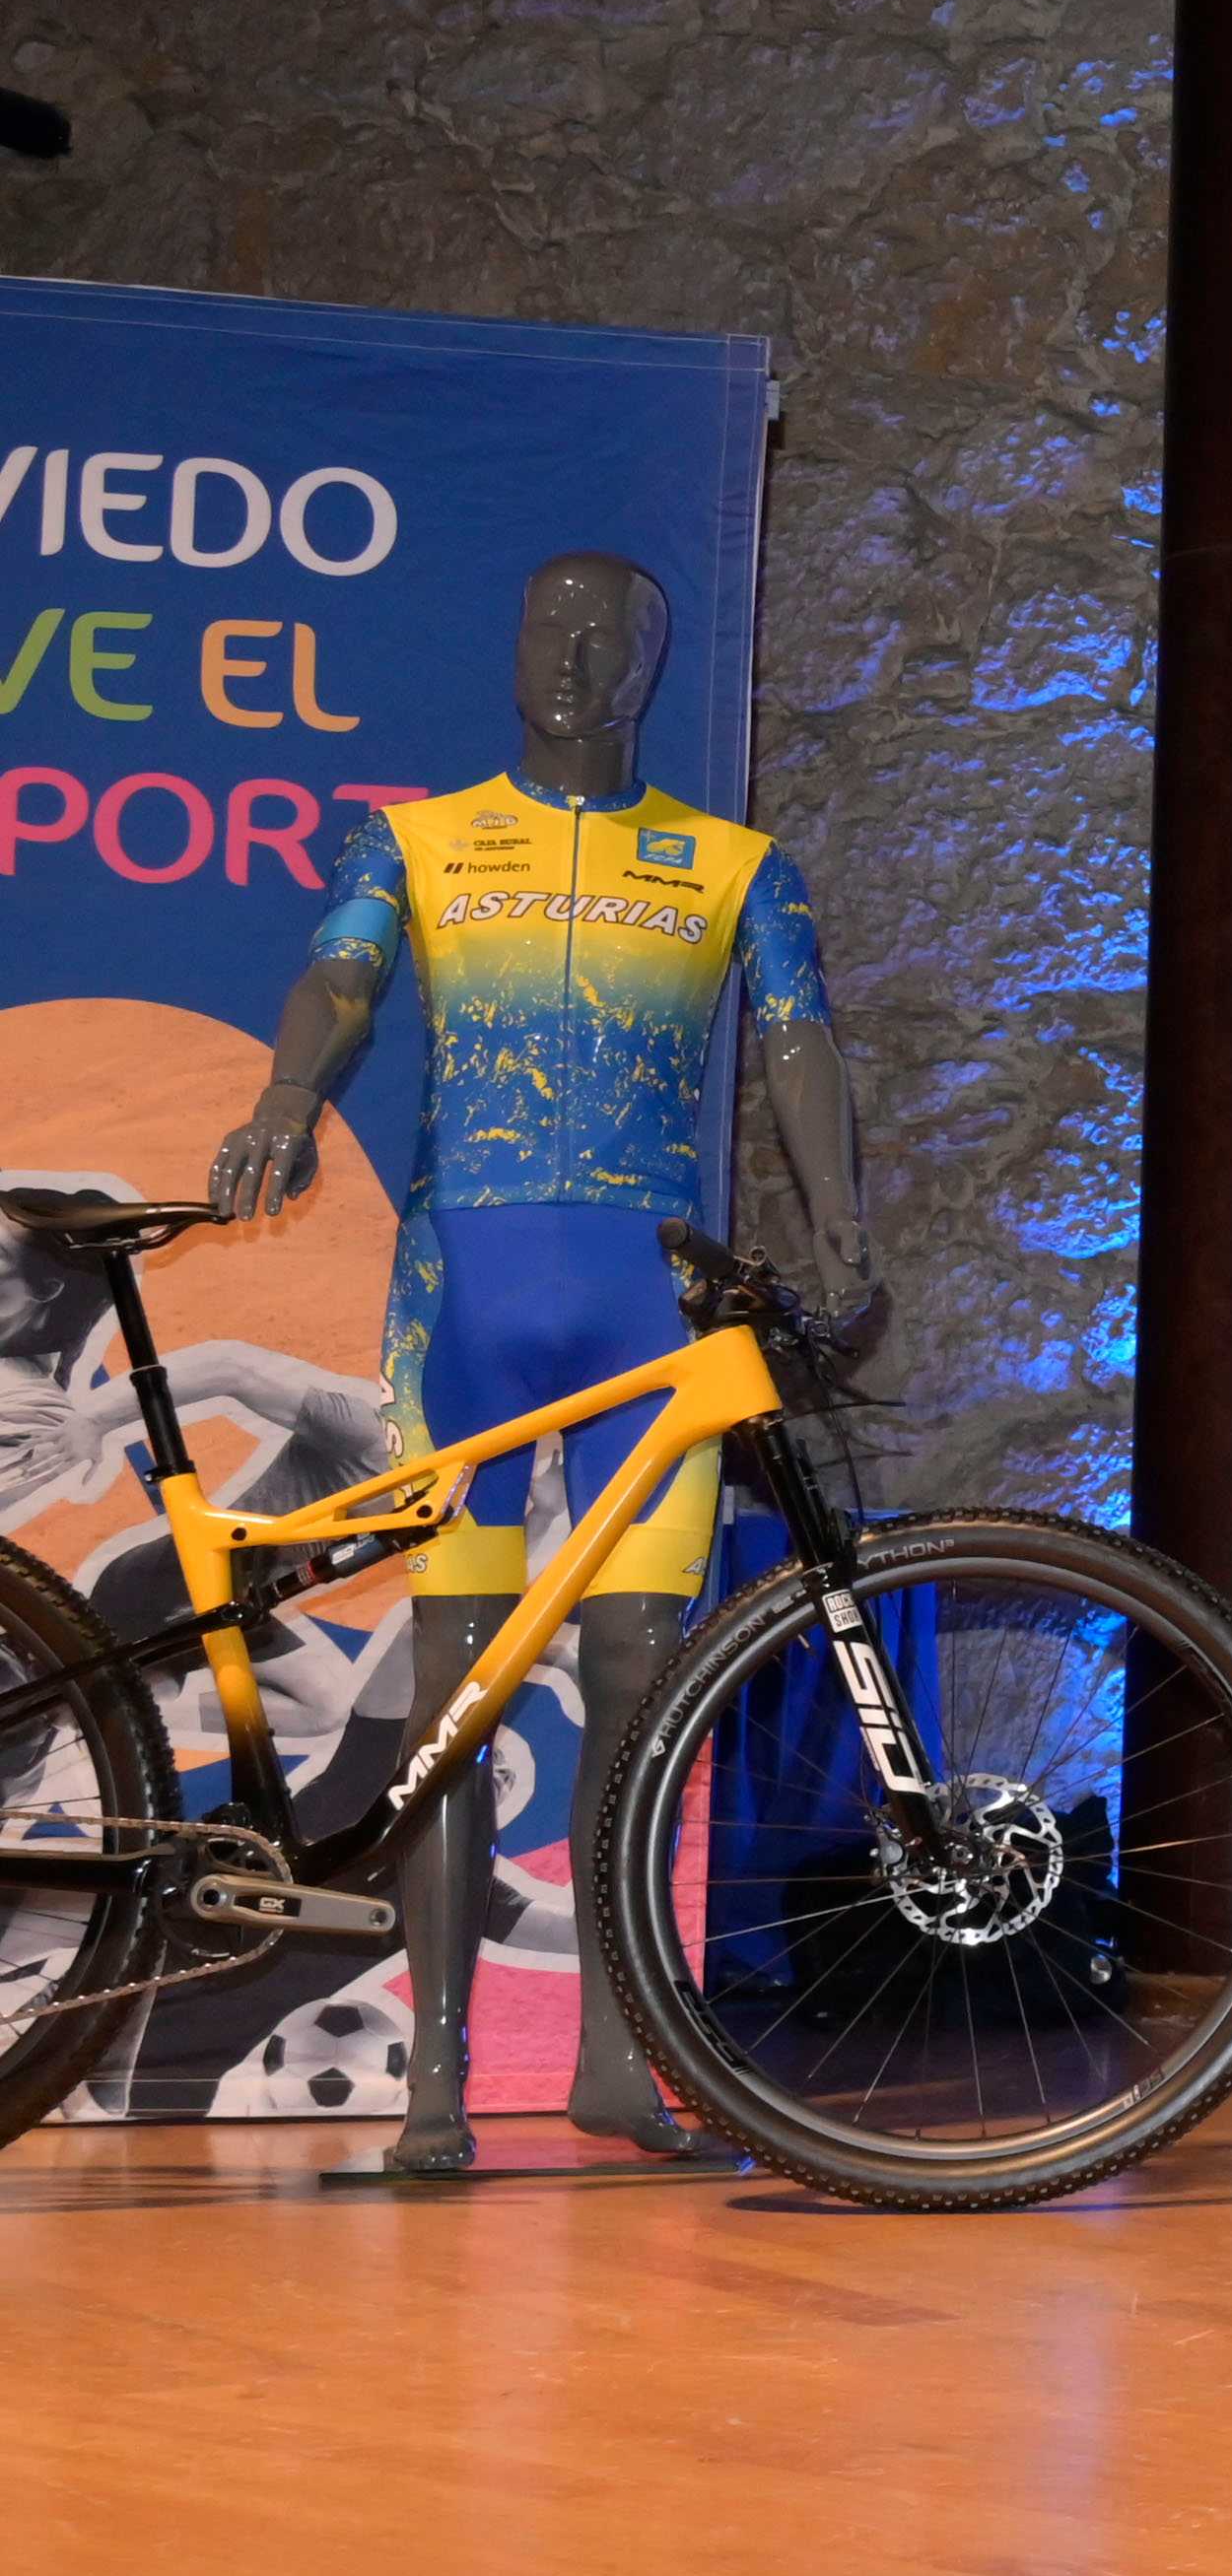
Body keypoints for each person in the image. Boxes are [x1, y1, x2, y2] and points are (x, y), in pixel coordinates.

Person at [206, 546, 875, 2174]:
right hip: (469, 1304)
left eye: (603, 632)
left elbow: (796, 1038)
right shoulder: (418, 837)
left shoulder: (730, 862)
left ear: (648, 666)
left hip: (653, 1311)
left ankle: (614, 2053)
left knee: (641, 1697)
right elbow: (342, 970)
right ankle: (433, 2077)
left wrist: (844, 1231)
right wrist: (290, 1093)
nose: (566, 653)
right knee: (456, 1692)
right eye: (541, 624)